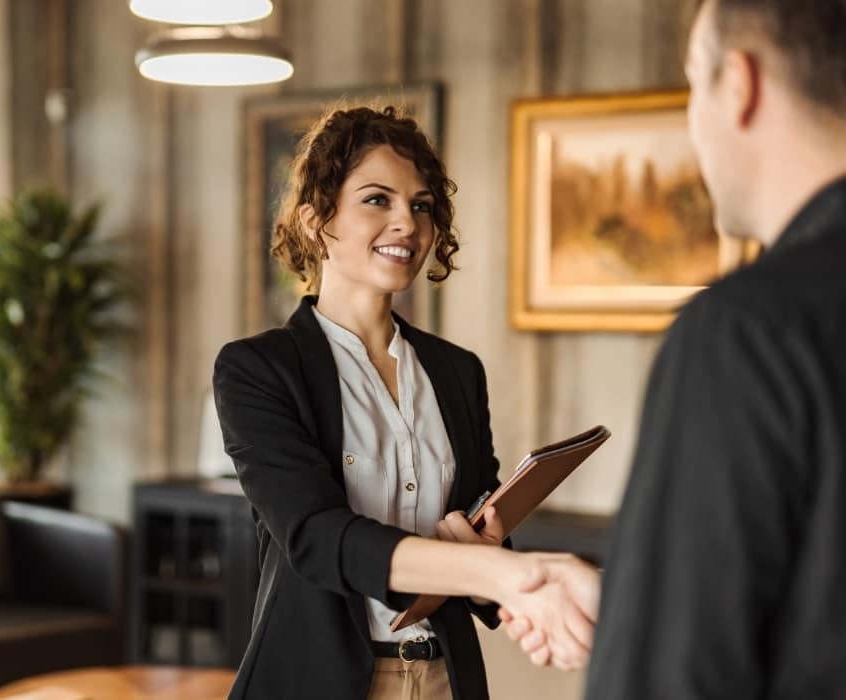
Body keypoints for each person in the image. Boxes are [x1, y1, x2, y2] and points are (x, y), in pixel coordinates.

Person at [506, 0, 846, 695]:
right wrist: (645, 595)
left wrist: (651, 618)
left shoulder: (748, 330)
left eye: (694, 83)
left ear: (741, 84)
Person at [212, 104, 600, 700]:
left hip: (445, 676)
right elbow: (318, 538)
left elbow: (481, 525)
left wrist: (493, 559)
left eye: (421, 205)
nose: (408, 224)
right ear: (318, 221)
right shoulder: (258, 369)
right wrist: (512, 575)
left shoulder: (456, 371)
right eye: (377, 200)